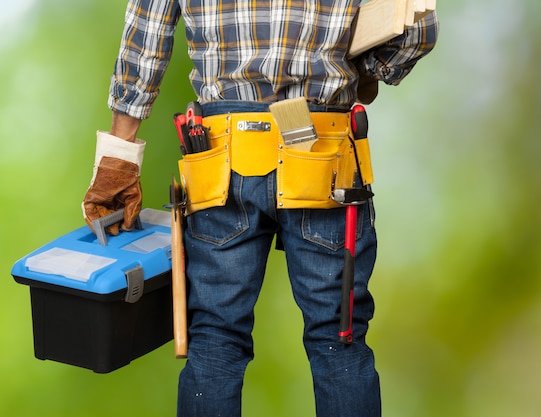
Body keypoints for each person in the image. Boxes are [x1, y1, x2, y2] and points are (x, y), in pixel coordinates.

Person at [82, 0, 438, 415]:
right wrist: (365, 71)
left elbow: (147, 30)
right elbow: (418, 29)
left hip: (222, 158)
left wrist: (118, 159)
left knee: (215, 338)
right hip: (325, 157)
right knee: (339, 340)